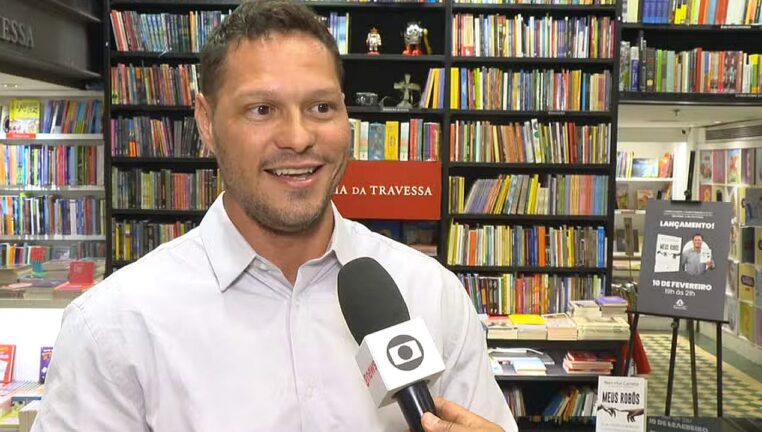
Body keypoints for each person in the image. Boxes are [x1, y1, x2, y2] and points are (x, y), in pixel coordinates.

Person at [31, 1, 517, 431]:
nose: (299, 137)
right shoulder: (115, 327)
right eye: (262, 109)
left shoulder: (432, 296)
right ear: (206, 122)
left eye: (321, 106)